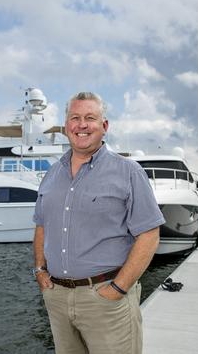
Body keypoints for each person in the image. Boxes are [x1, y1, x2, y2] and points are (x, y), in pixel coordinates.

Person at [32, 91, 164, 353]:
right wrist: (40, 270)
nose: (81, 125)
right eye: (75, 118)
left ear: (104, 126)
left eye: (90, 118)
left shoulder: (128, 172)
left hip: (106, 298)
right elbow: (41, 225)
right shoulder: (51, 174)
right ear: (66, 126)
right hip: (57, 297)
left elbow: (149, 235)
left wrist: (118, 288)